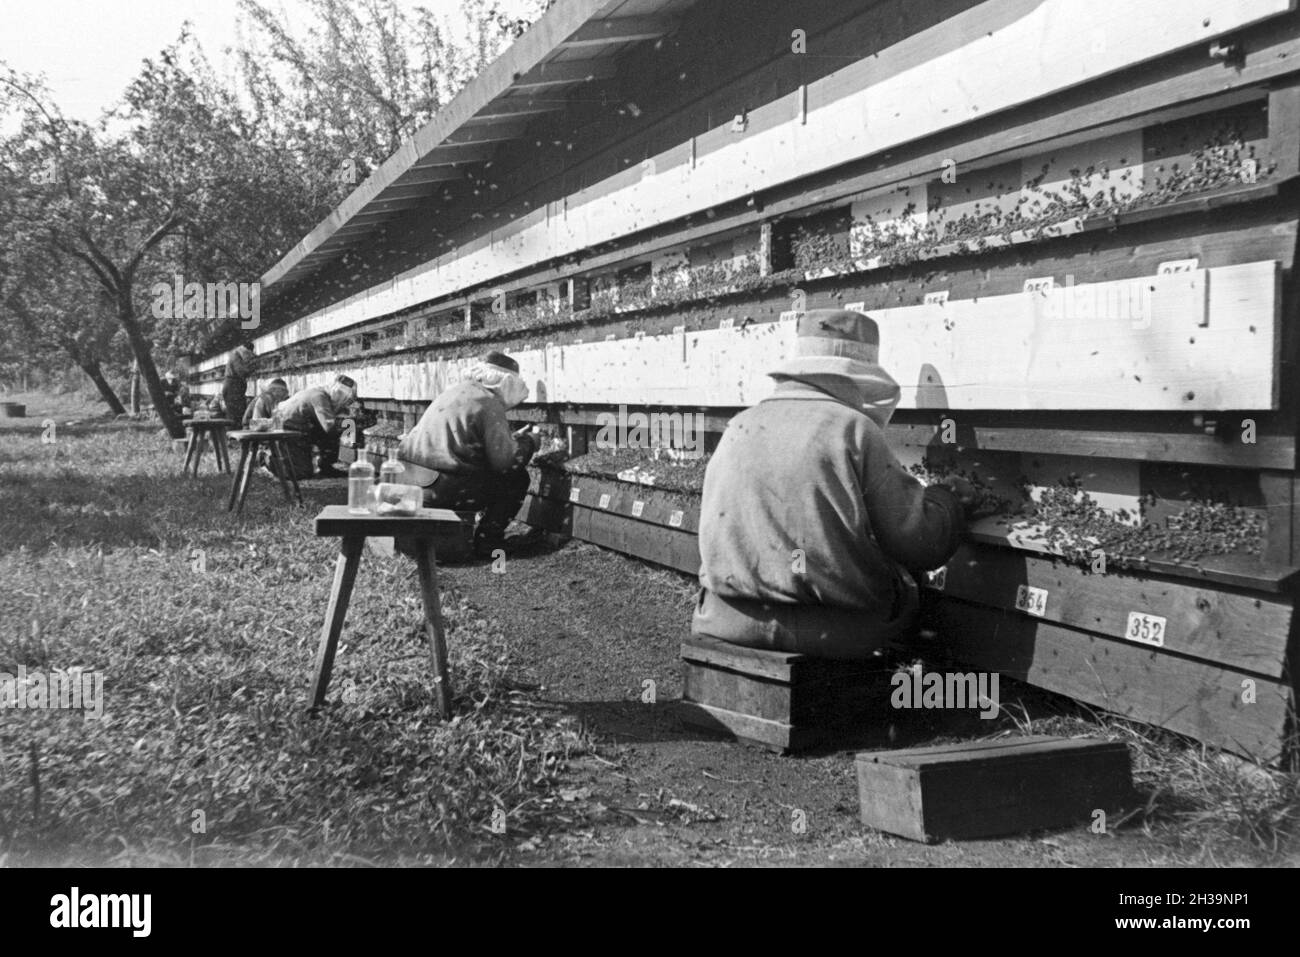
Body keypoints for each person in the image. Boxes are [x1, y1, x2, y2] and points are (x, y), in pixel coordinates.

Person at [691, 309, 985, 660]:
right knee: (903, 585)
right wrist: (948, 499)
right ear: (859, 378)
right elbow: (919, 544)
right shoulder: (854, 429)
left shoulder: (740, 425)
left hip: (725, 619)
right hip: (830, 632)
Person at [398, 351, 538, 556]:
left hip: (411, 480)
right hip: (441, 486)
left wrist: (509, 439)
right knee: (516, 479)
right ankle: (488, 542)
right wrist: (529, 443)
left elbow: (461, 440)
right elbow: (505, 463)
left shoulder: (455, 392)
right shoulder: (489, 402)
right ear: (507, 384)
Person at [272, 374, 356, 479]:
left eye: (344, 397)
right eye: (340, 394)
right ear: (333, 389)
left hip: (295, 426)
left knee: (326, 434)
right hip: (287, 428)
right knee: (301, 473)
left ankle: (326, 467)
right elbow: (329, 427)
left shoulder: (319, 393)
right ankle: (266, 458)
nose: (340, 399)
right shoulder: (319, 397)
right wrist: (350, 426)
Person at [222, 340, 257, 427]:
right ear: (245, 351)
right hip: (232, 389)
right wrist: (253, 367)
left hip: (233, 388)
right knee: (235, 415)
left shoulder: (236, 355)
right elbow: (242, 372)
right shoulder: (236, 356)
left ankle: (233, 434)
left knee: (236, 413)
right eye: (248, 354)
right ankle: (232, 436)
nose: (249, 357)